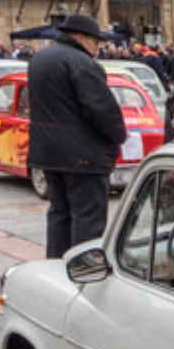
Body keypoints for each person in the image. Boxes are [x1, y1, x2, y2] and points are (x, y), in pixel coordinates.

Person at [27, 14, 127, 259]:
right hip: (82, 154)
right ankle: (83, 270)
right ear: (81, 38)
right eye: (96, 42)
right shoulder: (81, 62)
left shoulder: (40, 58)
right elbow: (100, 108)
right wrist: (119, 136)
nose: (97, 49)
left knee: (59, 211)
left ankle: (56, 265)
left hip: (49, 151)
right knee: (88, 218)